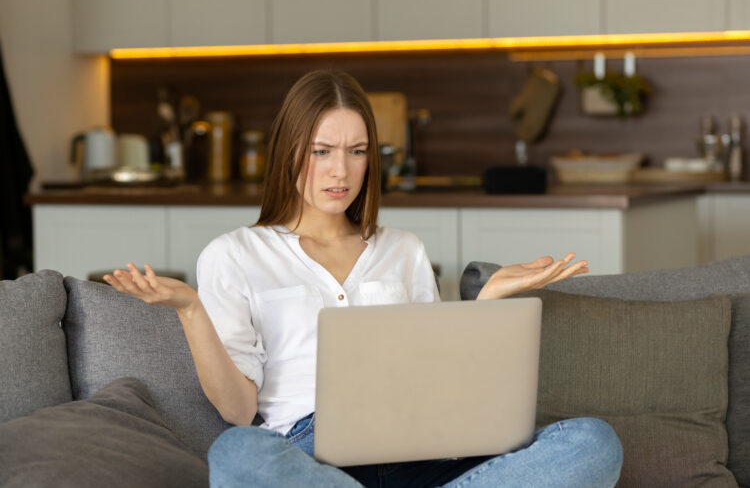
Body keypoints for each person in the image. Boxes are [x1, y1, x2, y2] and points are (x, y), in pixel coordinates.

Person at [103, 69, 623, 488]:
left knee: (594, 443)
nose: (340, 172)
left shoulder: (404, 249)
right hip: (309, 456)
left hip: (420, 445)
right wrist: (191, 311)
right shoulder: (234, 254)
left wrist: (485, 303)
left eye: (357, 152)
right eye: (322, 151)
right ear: (290, 151)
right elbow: (239, 412)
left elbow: (440, 380)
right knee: (238, 454)